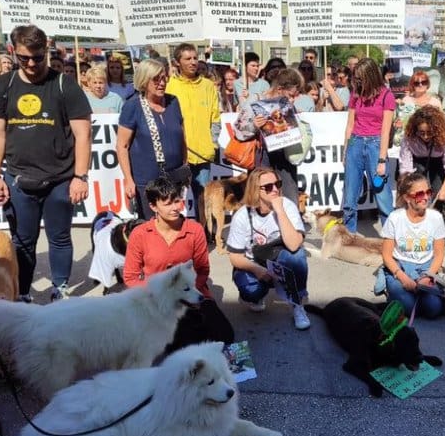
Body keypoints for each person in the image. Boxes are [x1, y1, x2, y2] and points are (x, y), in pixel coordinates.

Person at [0, 24, 92, 302]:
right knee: (22, 242)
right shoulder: (2, 86)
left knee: (59, 237)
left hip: (60, 179)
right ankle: (22, 294)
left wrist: (80, 177)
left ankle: (61, 289)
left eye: (37, 57)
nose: (31, 64)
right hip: (19, 179)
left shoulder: (64, 85)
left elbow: (83, 134)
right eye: (24, 58)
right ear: (13, 53)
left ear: (46, 51)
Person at [123, 176, 234, 354]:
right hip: (156, 301)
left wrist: (188, 295)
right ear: (153, 206)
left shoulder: (195, 229)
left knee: (226, 336)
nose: (175, 208)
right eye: (167, 203)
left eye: (177, 201)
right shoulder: (140, 234)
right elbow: (130, 277)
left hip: (192, 296)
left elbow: (202, 270)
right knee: (180, 346)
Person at [225, 167, 311, 330]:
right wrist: (256, 269)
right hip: (255, 263)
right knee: (250, 291)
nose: (275, 190)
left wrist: (279, 210)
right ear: (255, 190)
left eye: (277, 184)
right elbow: (234, 257)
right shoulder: (242, 215)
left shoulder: (287, 206)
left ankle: (297, 305)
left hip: (280, 259)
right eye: (268, 187)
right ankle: (258, 296)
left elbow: (294, 244)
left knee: (297, 256)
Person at [116, 59, 187, 220]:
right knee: (152, 228)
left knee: (173, 223)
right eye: (156, 79)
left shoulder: (173, 102)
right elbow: (122, 145)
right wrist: (128, 179)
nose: (162, 83)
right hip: (147, 181)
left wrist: (185, 165)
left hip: (174, 178)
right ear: (144, 80)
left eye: (164, 78)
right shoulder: (133, 106)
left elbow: (182, 136)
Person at [166, 43, 221, 221]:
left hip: (203, 153)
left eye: (195, 58)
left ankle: (205, 234)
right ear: (177, 62)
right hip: (178, 156)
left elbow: (215, 117)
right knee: (175, 198)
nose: (193, 62)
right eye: (187, 59)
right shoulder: (169, 86)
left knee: (204, 197)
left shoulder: (208, 85)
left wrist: (212, 143)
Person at [380, 172, 445, 319]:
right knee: (408, 306)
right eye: (419, 194)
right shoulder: (395, 218)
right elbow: (386, 255)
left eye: (428, 192)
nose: (425, 198)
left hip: (426, 267)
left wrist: (428, 276)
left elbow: (439, 254)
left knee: (434, 309)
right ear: (407, 198)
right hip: (401, 267)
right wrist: (403, 278)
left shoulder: (436, 218)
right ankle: (390, 289)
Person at [233, 68, 304, 204]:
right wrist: (254, 125)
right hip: (262, 158)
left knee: (289, 200)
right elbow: (239, 131)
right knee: (262, 201)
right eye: (291, 94)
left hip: (285, 157)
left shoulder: (288, 105)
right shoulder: (255, 102)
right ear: (280, 89)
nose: (294, 99)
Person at [342, 57, 395, 233]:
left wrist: (381, 160)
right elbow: (349, 125)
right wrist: (345, 151)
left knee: (382, 195)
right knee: (350, 196)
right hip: (355, 143)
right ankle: (349, 236)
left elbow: (385, 130)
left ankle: (391, 238)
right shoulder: (355, 94)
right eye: (356, 78)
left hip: (375, 145)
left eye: (360, 78)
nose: (357, 81)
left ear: (370, 76)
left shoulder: (386, 95)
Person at [399, 105, 445, 207]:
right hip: (417, 164)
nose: (425, 137)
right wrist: (407, 186)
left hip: (438, 164)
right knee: (418, 199)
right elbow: (406, 163)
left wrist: (444, 189)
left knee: (439, 200)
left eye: (429, 133)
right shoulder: (409, 135)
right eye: (421, 133)